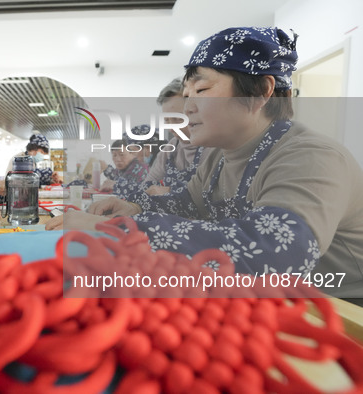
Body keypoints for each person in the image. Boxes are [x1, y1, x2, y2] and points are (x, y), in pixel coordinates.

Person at [47, 27, 363, 299]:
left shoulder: (310, 157)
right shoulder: (218, 156)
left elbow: (275, 252)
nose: (188, 108)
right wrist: (135, 209)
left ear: (262, 92)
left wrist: (120, 230)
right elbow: (188, 205)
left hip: (338, 309)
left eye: (201, 89)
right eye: (186, 94)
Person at [144, 77, 215, 196]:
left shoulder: (213, 147)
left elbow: (211, 195)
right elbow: (148, 184)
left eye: (178, 119)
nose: (172, 127)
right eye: (167, 120)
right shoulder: (170, 148)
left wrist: (169, 191)